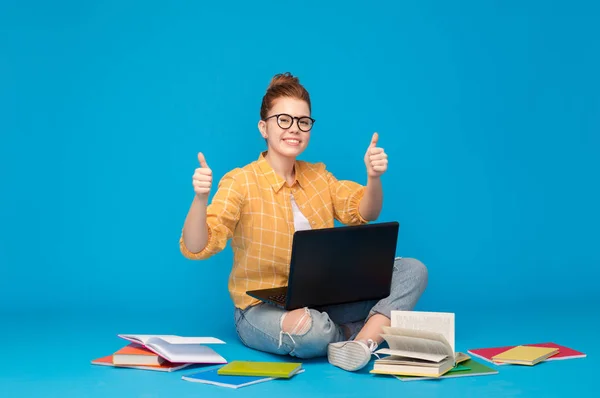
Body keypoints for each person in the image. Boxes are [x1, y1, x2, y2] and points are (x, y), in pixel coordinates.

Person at [180, 72, 428, 372]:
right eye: (283, 120)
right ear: (264, 127)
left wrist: (373, 178)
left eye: (303, 122)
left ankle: (360, 345)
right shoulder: (240, 182)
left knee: (412, 270)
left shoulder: (319, 176)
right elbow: (197, 246)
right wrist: (200, 198)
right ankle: (365, 331)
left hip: (324, 298)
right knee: (313, 332)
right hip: (262, 308)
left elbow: (364, 212)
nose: (294, 129)